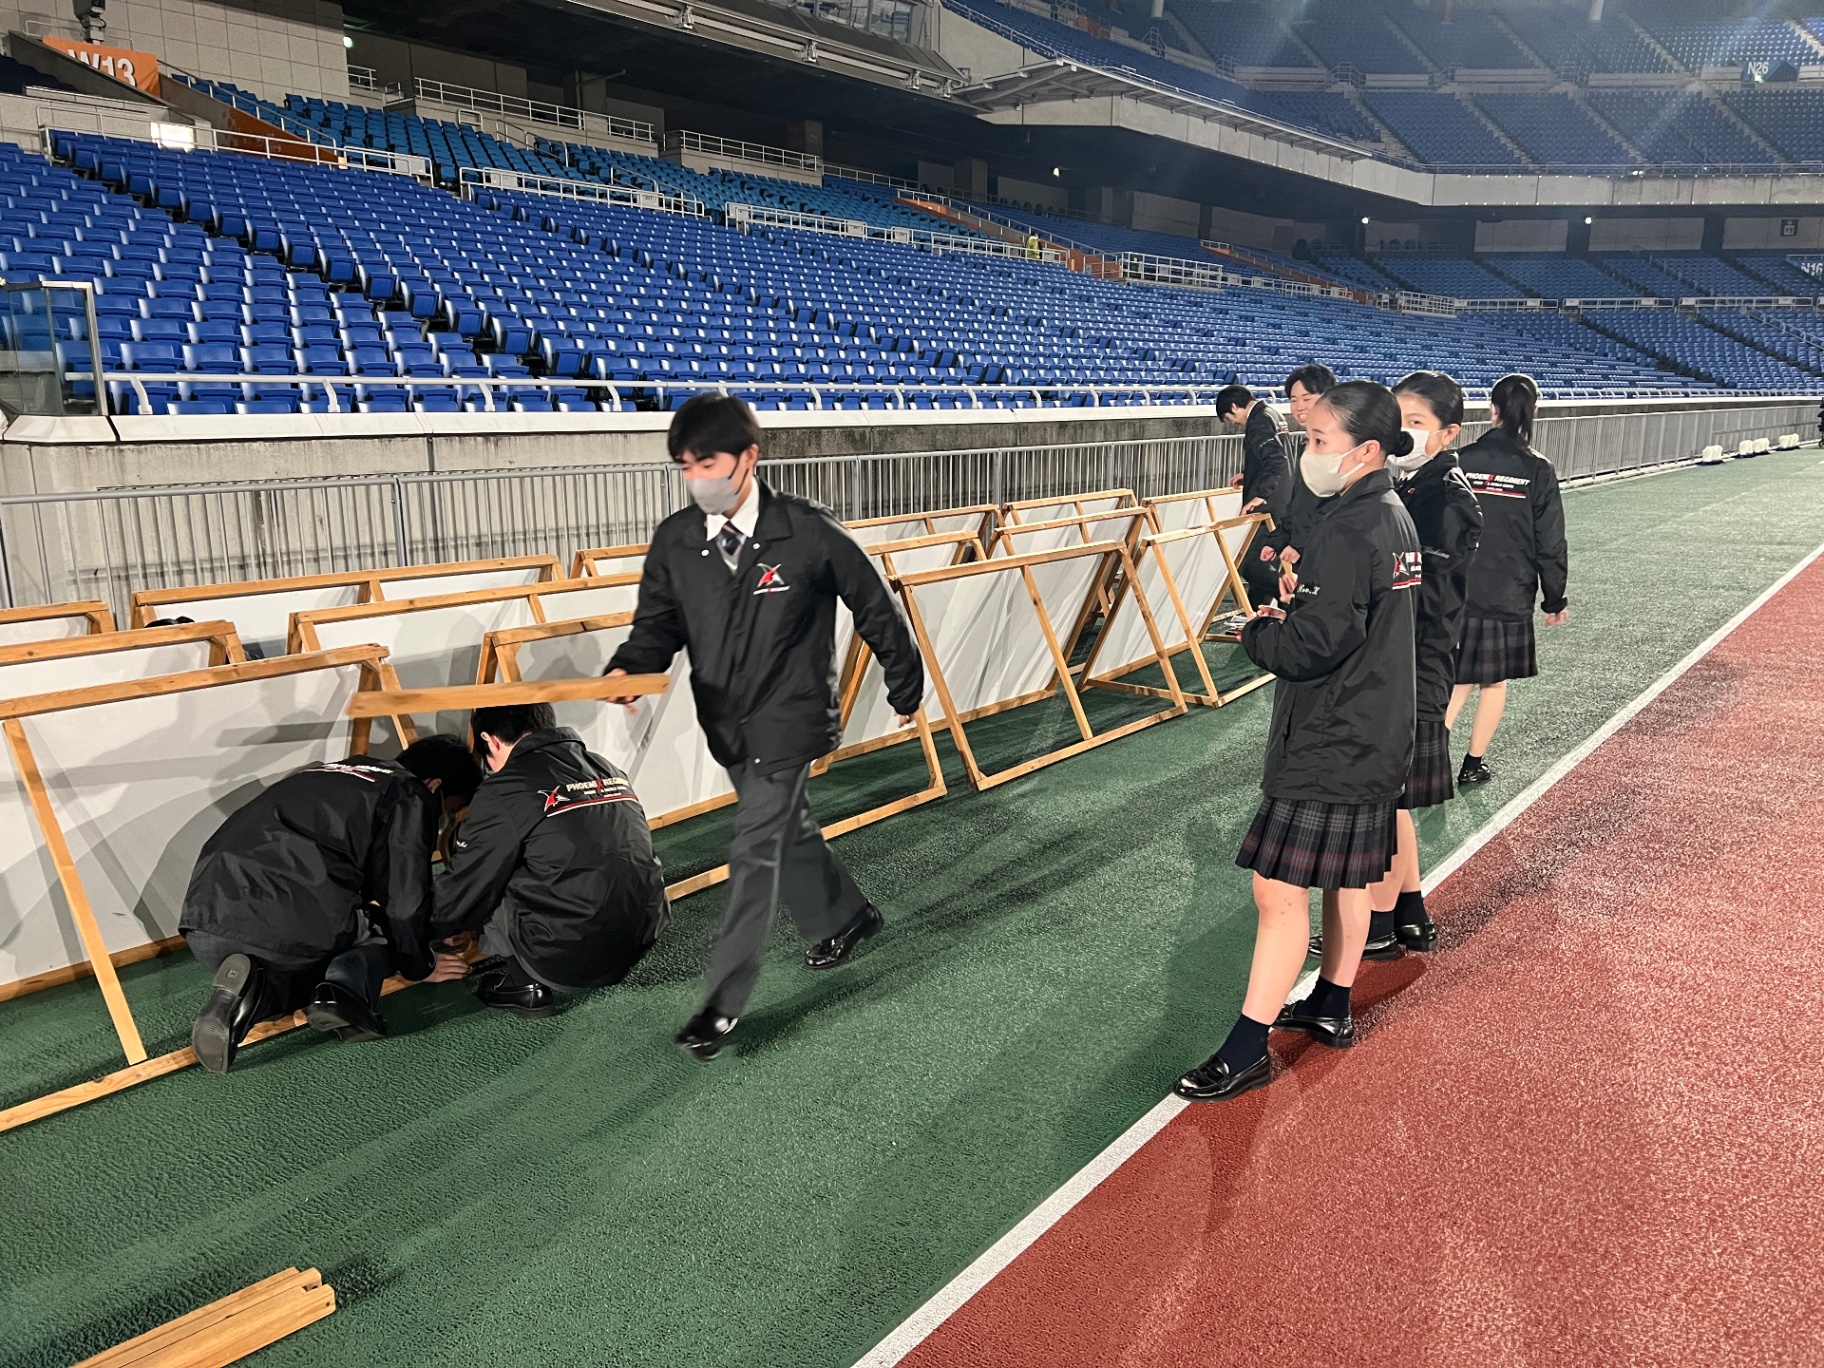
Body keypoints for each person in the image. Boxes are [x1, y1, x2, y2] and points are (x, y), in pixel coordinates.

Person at [604, 392, 925, 1061]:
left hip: (791, 717)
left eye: (709, 463)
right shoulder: (677, 541)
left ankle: (721, 1005)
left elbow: (875, 604)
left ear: (749, 457)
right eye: (686, 466)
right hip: (727, 722)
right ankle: (847, 915)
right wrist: (631, 668)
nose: (697, 478)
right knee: (786, 830)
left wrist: (905, 683)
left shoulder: (806, 530)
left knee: (754, 851)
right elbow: (657, 624)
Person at [1175, 381, 1422, 1102]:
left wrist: (1259, 631)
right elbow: (1347, 620)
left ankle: (1246, 1048)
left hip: (1334, 733)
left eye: (1317, 441)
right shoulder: (1392, 514)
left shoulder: (1352, 526)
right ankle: (1331, 1004)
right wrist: (1303, 604)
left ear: (1365, 450)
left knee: (1277, 891)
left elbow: (1314, 645)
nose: (1307, 452)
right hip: (1375, 725)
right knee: (1347, 878)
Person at [181, 735, 483, 1075]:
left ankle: (247, 994)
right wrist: (421, 965)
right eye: (449, 808)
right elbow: (404, 904)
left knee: (297, 969)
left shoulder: (326, 771)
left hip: (204, 921)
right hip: (282, 921)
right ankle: (343, 991)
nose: (443, 817)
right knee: (387, 931)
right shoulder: (408, 794)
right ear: (435, 785)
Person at [431, 703, 670, 1017]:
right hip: (643, 936)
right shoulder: (606, 767)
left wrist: (426, 939)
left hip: (570, 954)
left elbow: (468, 881)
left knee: (488, 866)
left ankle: (524, 986)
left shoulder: (505, 788)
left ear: (490, 740)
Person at [1361, 371, 1482, 956]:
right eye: (1398, 419)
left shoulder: (1447, 499)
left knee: (1384, 798)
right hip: (1408, 656)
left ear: (1448, 432)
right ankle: (1410, 915)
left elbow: (1422, 596)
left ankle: (1378, 928)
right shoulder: (1410, 484)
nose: (1403, 433)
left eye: (1416, 422)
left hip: (1414, 660)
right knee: (1397, 799)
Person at [1445, 373, 1568, 785]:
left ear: (1492, 409)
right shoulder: (1537, 469)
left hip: (1455, 587)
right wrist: (1554, 599)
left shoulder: (1459, 460)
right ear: (1533, 411)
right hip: (1508, 591)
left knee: (1455, 677)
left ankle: (1424, 759)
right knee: (1492, 682)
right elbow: (1550, 540)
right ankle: (1472, 765)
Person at [1239, 363, 1336, 606]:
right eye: (1294, 400)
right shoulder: (1308, 446)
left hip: (1330, 560)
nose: (1299, 406)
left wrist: (1299, 544)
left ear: (1328, 398)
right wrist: (1279, 539)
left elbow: (1331, 507)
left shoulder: (1340, 447)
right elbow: (1301, 502)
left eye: (1307, 398)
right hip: (1309, 559)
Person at [1218, 383, 1291, 526]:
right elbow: (1276, 454)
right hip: (1283, 494)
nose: (1233, 423)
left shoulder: (1259, 421)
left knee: (1260, 538)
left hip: (1268, 502)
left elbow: (1276, 459)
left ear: (1234, 407)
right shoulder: (1274, 414)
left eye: (1229, 418)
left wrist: (1261, 495)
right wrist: (1248, 474)